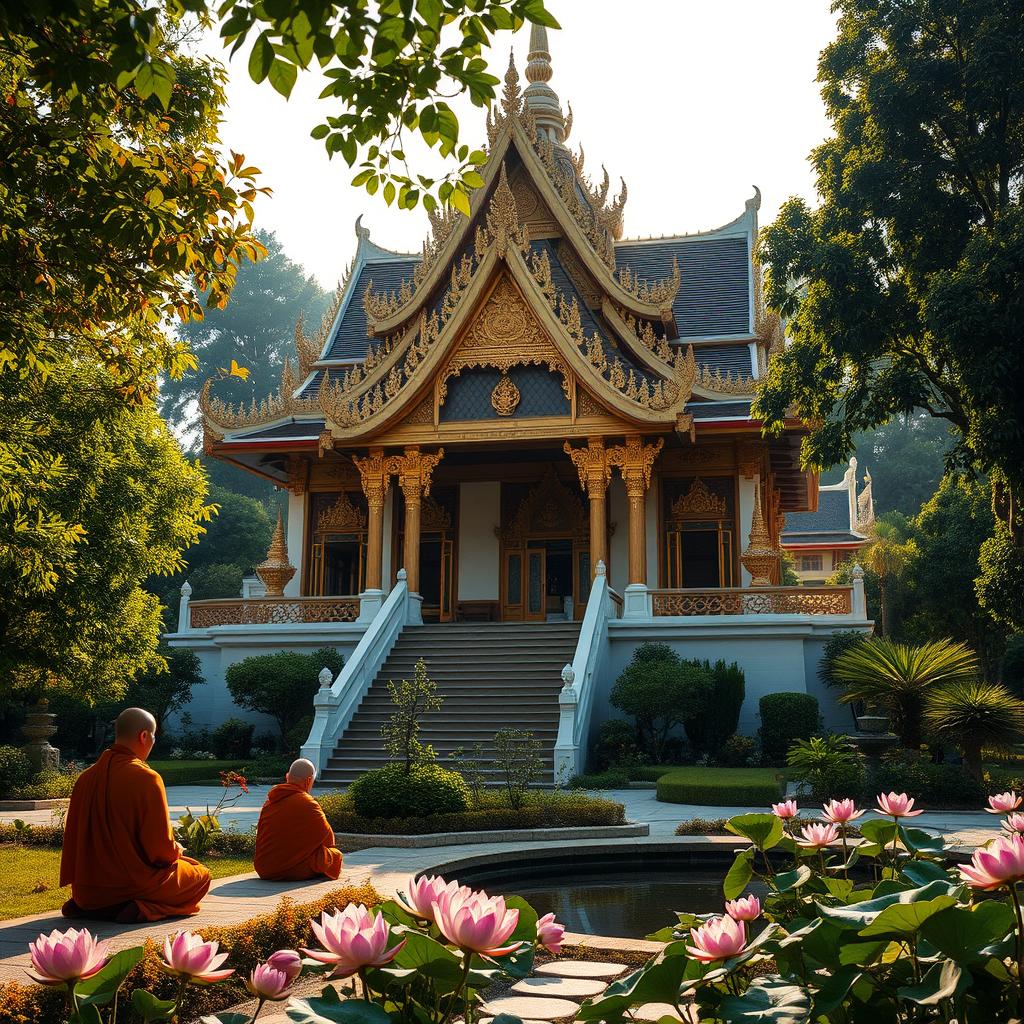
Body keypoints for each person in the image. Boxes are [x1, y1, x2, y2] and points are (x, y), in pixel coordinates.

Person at [60, 708, 211, 923]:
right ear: (144, 736)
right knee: (200, 875)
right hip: (130, 886)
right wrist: (176, 849)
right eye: (154, 736)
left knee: (185, 866)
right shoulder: (146, 778)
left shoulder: (85, 778)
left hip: (87, 894)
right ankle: (141, 907)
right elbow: (160, 853)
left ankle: (107, 907)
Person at [253, 758, 342, 882]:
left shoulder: (270, 802)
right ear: (309, 781)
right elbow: (328, 840)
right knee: (334, 855)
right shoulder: (308, 803)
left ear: (287, 776)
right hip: (291, 870)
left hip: (265, 869)